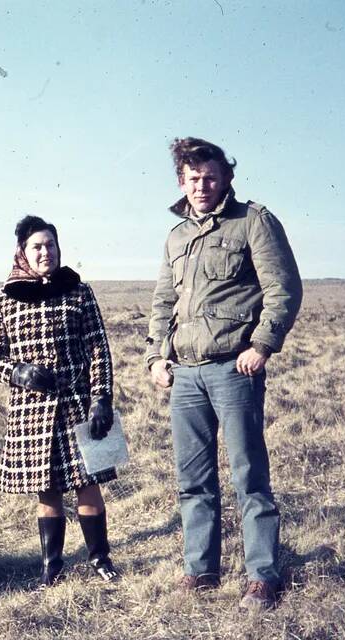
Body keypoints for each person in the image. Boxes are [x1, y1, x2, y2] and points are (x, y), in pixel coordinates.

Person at [145, 137, 302, 610]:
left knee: (249, 477)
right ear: (181, 181)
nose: (201, 186)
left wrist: (262, 345)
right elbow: (162, 302)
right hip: (186, 376)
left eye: (210, 177)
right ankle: (201, 569)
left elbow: (284, 288)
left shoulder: (253, 221)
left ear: (226, 177)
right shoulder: (175, 237)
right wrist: (156, 357)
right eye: (192, 178)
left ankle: (263, 576)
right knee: (192, 481)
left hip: (235, 368)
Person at [0, 215, 118, 587]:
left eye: (50, 245)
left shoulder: (78, 291)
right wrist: (18, 372)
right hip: (32, 412)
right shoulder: (7, 298)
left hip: (77, 402)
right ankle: (51, 565)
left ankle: (99, 558)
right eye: (37, 247)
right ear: (22, 253)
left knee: (88, 483)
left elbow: (98, 349)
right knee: (48, 488)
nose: (45, 252)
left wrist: (101, 397)